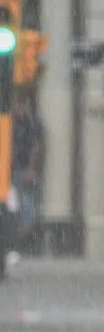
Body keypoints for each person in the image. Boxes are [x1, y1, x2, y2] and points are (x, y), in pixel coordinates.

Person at [8, 93, 44, 266]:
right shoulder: (11, 122)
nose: (20, 109)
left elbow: (37, 147)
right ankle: (14, 246)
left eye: (23, 106)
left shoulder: (33, 124)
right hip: (12, 170)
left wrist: (31, 169)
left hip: (23, 169)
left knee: (27, 207)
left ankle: (19, 246)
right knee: (14, 208)